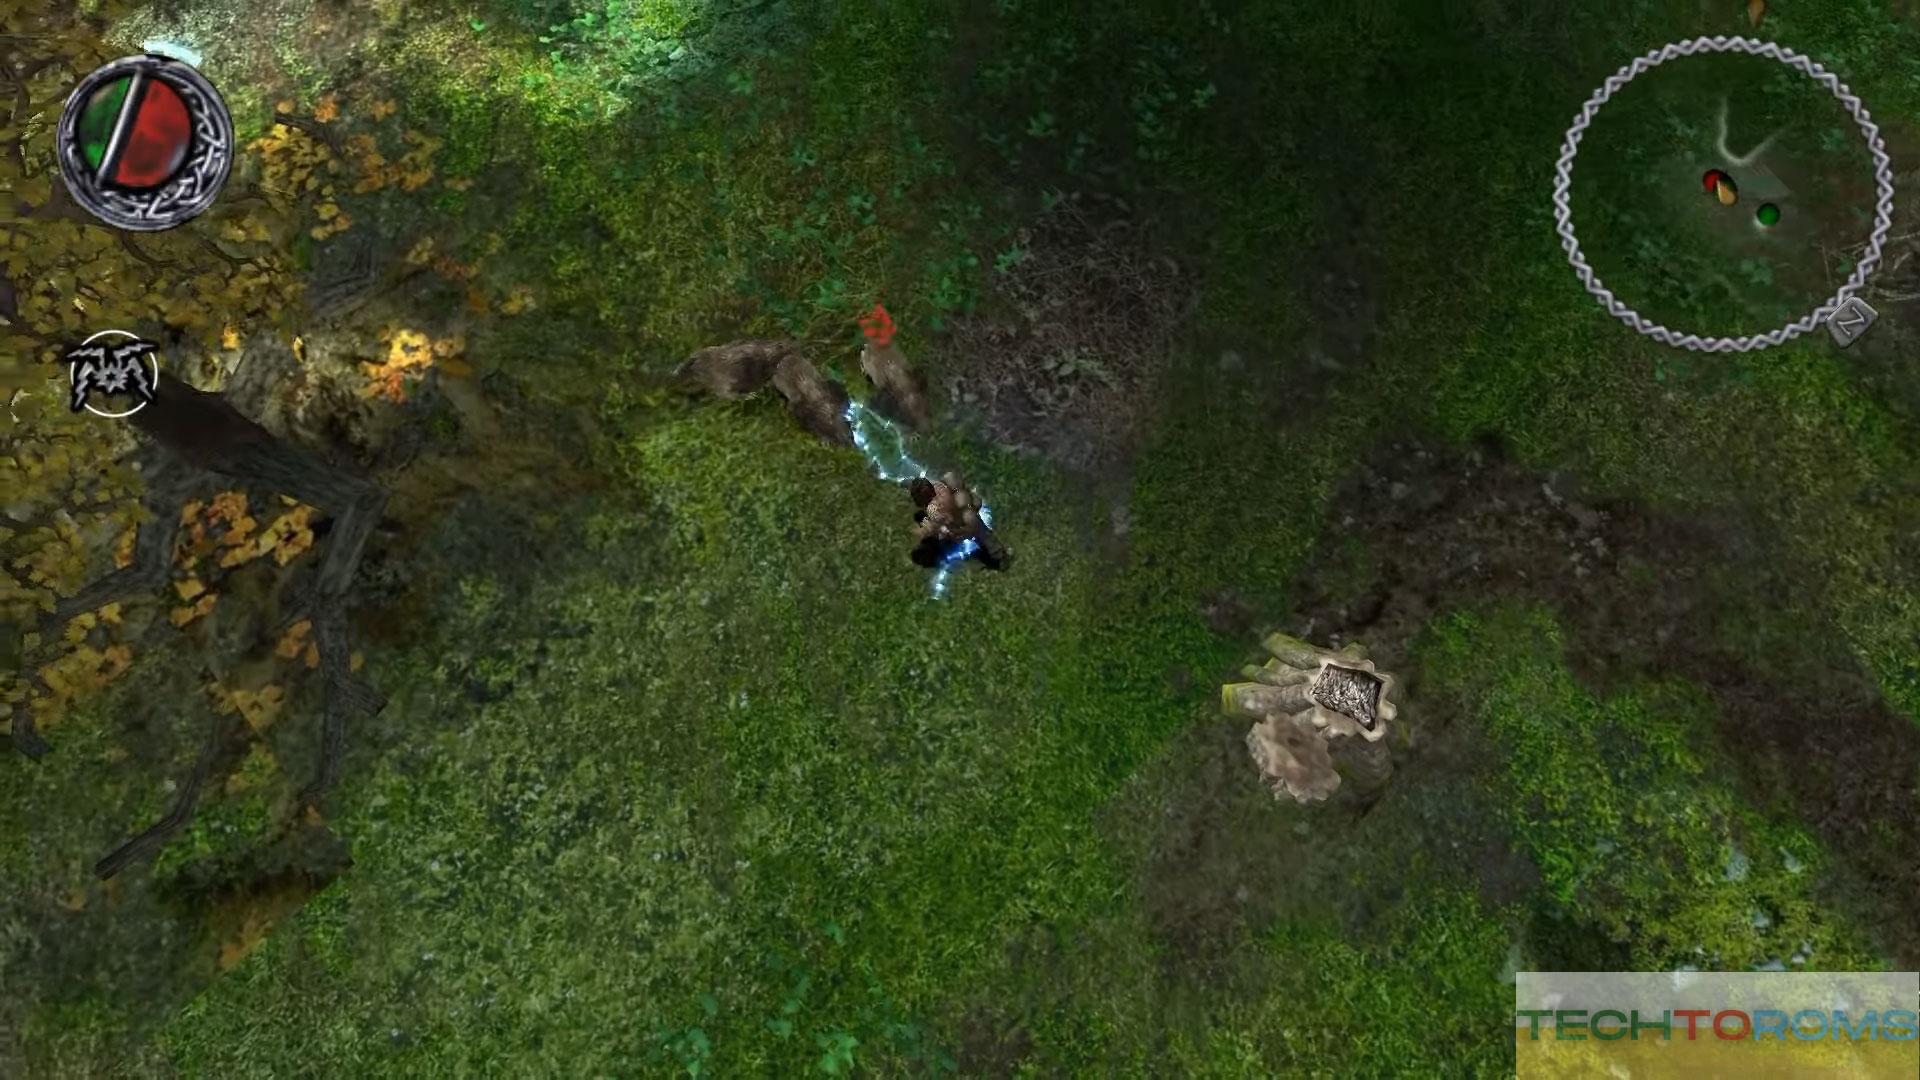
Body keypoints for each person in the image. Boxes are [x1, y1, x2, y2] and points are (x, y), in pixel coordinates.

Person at [907, 472, 1011, 571]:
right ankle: (999, 555)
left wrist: (928, 529)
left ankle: (999, 559)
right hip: (966, 514)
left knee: (981, 537)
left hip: (962, 525)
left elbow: (944, 523)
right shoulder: (938, 486)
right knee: (982, 534)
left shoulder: (934, 507)